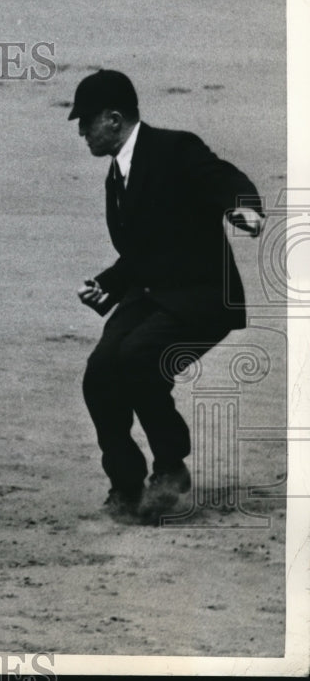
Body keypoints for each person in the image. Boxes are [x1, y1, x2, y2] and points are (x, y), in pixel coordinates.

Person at [70, 70, 264, 524]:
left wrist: (244, 207)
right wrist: (108, 284)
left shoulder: (174, 148)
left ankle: (171, 468)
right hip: (151, 295)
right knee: (100, 372)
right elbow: (145, 249)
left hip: (202, 296)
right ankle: (125, 485)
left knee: (139, 357)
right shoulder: (116, 175)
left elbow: (223, 176)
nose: (81, 132)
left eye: (86, 121)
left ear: (113, 119)